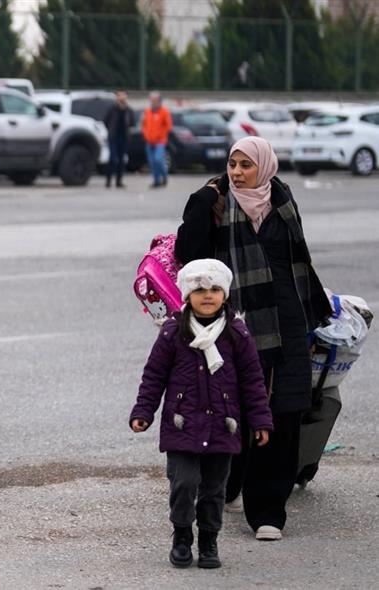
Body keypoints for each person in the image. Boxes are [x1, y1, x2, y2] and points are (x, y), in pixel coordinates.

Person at [174, 136, 332, 541]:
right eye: (233, 164)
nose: (238, 173)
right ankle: (228, 486)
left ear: (264, 166)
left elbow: (300, 259)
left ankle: (268, 512)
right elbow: (188, 254)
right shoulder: (216, 203)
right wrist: (199, 201)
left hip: (289, 318)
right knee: (234, 408)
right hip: (238, 321)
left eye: (246, 165)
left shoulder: (282, 199)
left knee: (284, 412)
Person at [130, 258, 273, 569]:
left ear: (225, 294)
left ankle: (209, 539)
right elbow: (154, 375)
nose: (207, 295)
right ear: (186, 295)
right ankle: (182, 535)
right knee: (183, 482)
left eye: (215, 289)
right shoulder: (173, 331)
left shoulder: (237, 333)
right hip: (182, 424)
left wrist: (261, 419)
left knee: (213, 488)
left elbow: (252, 380)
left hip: (224, 425)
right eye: (200, 290)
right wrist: (144, 411)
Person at [142, 91, 173, 188]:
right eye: (151, 100)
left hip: (160, 141)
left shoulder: (164, 111)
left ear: (159, 101)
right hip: (149, 141)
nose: (153, 102)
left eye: (155, 100)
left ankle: (164, 176)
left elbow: (168, 127)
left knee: (158, 159)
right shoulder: (147, 111)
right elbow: (144, 124)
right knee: (152, 162)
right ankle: (156, 181)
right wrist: (146, 134)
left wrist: (160, 134)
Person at [103, 91, 134, 188]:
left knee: (121, 160)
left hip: (124, 138)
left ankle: (118, 181)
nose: (122, 97)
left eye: (124, 95)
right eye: (120, 95)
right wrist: (111, 130)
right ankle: (108, 180)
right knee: (112, 158)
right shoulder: (112, 109)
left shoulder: (129, 110)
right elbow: (106, 121)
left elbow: (132, 123)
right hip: (113, 137)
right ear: (117, 97)